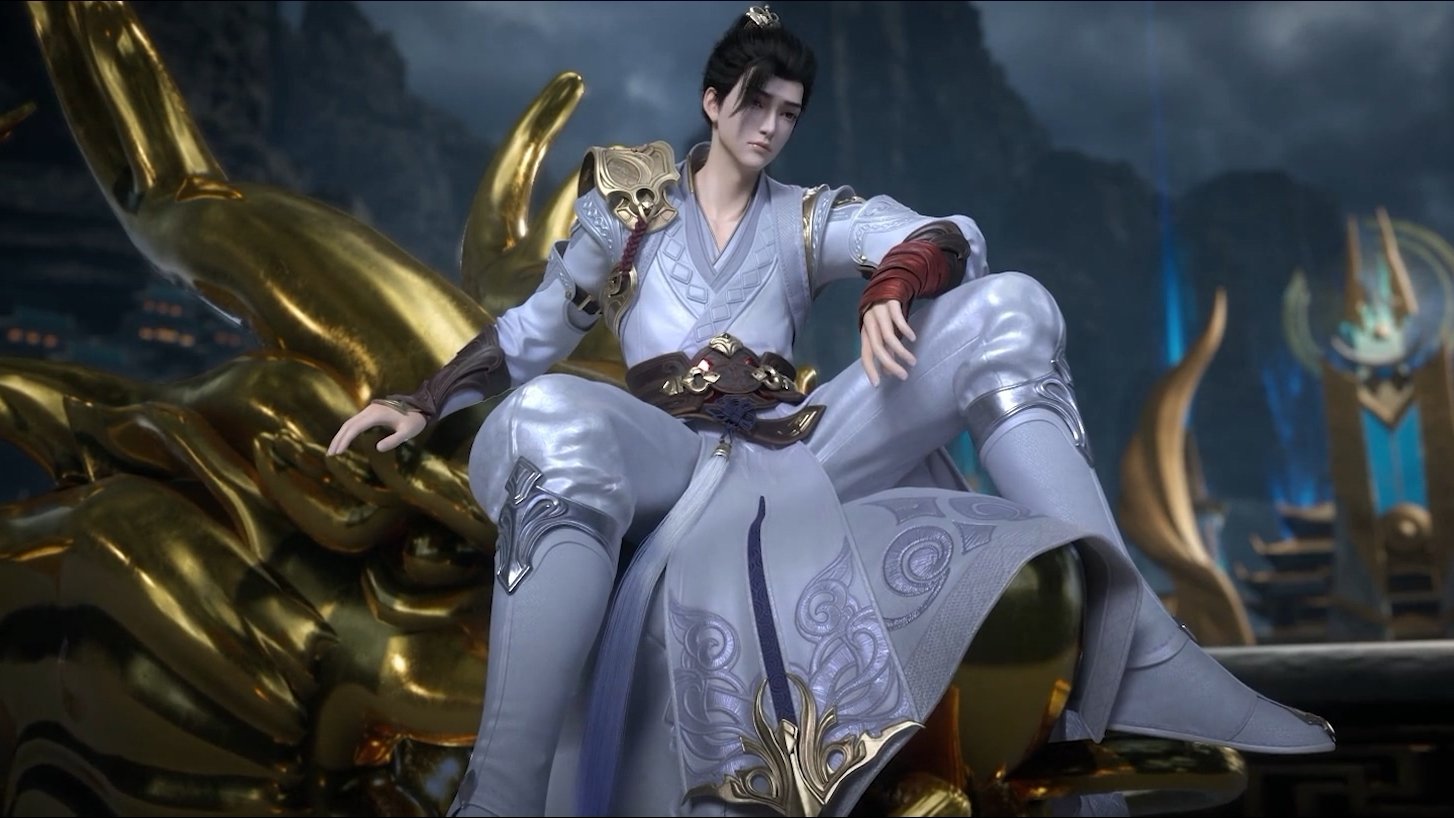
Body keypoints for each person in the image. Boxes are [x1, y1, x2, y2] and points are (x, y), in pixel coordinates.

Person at [328, 6, 1335, 816]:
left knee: (1010, 309)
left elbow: (943, 234)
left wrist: (893, 282)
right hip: (670, 452)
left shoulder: (803, 216)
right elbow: (532, 331)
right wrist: (422, 401)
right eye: (755, 104)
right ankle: (499, 795)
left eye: (789, 111)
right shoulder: (630, 211)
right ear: (712, 101)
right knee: (551, 414)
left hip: (797, 447)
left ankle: (1140, 650)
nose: (770, 127)